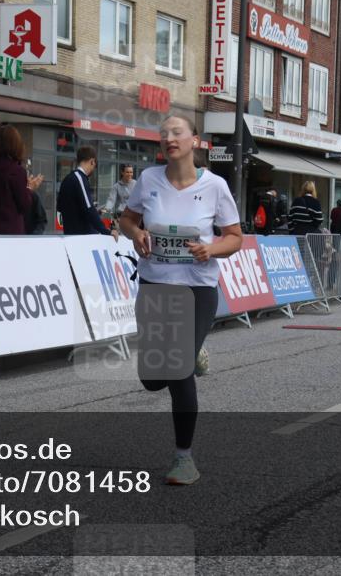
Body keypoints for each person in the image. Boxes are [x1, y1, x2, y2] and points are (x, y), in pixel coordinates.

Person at [119, 115, 242, 486]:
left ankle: (183, 459)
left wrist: (211, 248)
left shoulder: (216, 186)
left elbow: (234, 237)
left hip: (197, 289)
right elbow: (126, 219)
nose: (168, 138)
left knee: (177, 367)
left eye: (177, 132)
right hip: (156, 286)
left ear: (195, 140)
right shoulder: (148, 180)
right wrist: (136, 233)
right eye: (163, 134)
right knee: (152, 380)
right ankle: (194, 353)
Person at [0, 126, 43, 235]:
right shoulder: (16, 171)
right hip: (9, 234)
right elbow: (24, 205)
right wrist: (30, 188)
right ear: (16, 145)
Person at [58, 145, 116, 238]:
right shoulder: (80, 178)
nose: (93, 169)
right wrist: (106, 231)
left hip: (69, 234)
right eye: (94, 165)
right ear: (92, 161)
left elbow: (60, 207)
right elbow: (88, 209)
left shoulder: (67, 178)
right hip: (83, 235)